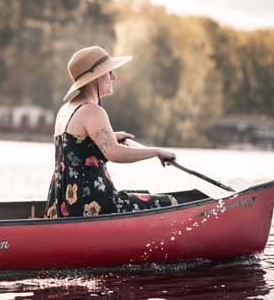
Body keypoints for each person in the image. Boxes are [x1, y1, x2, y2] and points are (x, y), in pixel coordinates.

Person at [45, 45, 177, 218]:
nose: (113, 77)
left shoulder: (66, 110)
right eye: (109, 72)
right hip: (92, 205)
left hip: (62, 206)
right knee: (170, 203)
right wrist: (156, 151)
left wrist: (112, 136)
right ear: (95, 78)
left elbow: (75, 146)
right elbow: (114, 153)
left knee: (144, 192)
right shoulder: (93, 111)